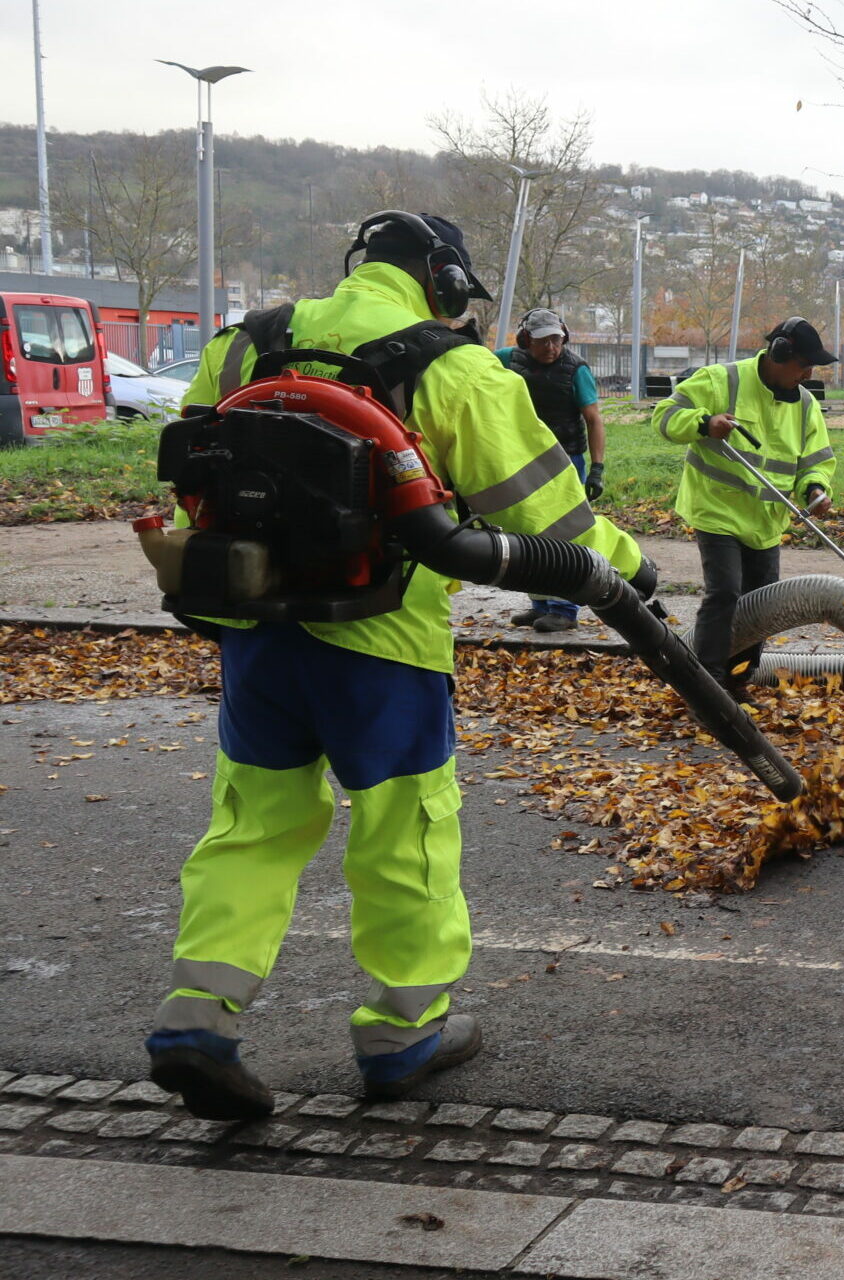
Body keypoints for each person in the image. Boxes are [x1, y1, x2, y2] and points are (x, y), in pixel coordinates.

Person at [148, 212, 653, 1119]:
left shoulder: (244, 343)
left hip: (255, 626)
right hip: (383, 640)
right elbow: (552, 517)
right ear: (445, 280)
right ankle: (402, 1032)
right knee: (406, 833)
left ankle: (199, 1021)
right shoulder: (454, 369)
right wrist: (634, 570)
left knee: (252, 826)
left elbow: (196, 462)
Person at [650, 317, 838, 698]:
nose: (808, 373)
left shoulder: (805, 405)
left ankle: (738, 681)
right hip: (716, 510)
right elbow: (664, 417)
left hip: (765, 522)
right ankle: (708, 684)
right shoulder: (722, 380)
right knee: (725, 593)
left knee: (762, 605)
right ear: (779, 353)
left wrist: (815, 488)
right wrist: (704, 423)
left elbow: (815, 459)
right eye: (803, 364)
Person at [495, 308, 606, 633]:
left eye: (557, 339)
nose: (551, 347)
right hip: (522, 459)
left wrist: (597, 468)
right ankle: (540, 604)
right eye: (543, 341)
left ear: (564, 336)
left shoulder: (576, 370)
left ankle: (565, 608)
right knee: (527, 531)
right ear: (527, 338)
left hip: (565, 461)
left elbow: (594, 419)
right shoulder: (505, 360)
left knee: (565, 535)